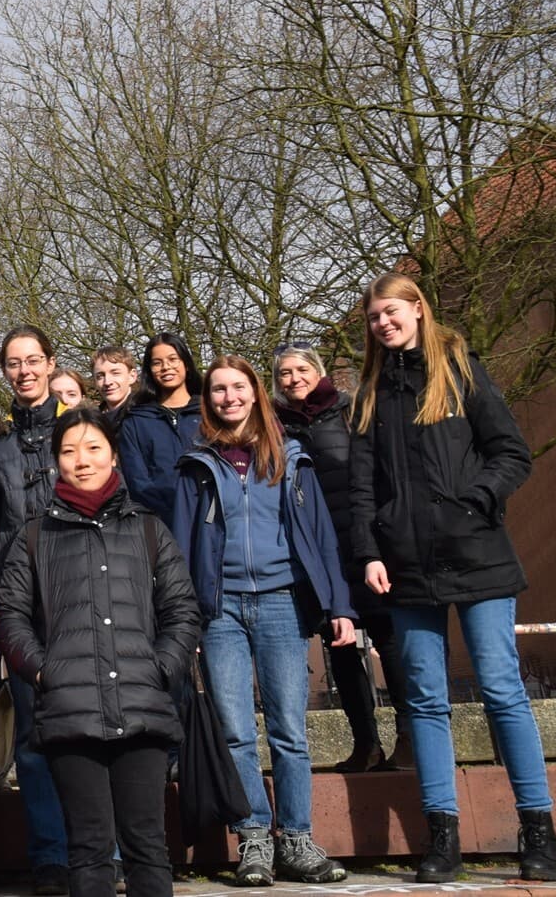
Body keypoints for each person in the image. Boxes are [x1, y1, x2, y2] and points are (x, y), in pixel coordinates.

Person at [347, 273, 556, 883]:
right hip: (406, 567)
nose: (383, 324)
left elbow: (511, 453)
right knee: (423, 701)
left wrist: (475, 501)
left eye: (392, 312)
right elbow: (362, 489)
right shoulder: (369, 395)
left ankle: (540, 833)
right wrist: (369, 552)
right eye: (373, 317)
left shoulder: (461, 371)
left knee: (501, 688)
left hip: (478, 556)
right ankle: (442, 836)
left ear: (418, 310)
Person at [0, 407, 201, 897]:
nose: (81, 461)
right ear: (54, 461)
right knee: (87, 850)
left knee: (147, 846)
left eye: (93, 449)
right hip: (70, 713)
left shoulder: (149, 529)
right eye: (68, 451)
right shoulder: (34, 536)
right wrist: (45, 673)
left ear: (113, 455)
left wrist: (160, 668)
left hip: (142, 707)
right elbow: (10, 617)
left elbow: (182, 610)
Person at [174, 356, 356, 886]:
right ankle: (253, 837)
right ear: (208, 401)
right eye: (218, 390)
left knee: (289, 730)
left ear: (255, 393)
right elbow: (183, 547)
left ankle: (297, 839)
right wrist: (185, 619)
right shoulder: (196, 465)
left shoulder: (292, 458)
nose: (229, 397)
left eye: (238, 388)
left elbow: (322, 536)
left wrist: (340, 606)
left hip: (283, 602)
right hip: (221, 609)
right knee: (234, 731)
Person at [273, 343, 407, 772]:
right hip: (319, 553)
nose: (294, 379)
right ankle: (365, 743)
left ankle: (409, 739)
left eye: (301, 370)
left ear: (318, 371)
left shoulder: (352, 411)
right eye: (284, 375)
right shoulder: (277, 427)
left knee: (391, 640)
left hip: (367, 544)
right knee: (340, 648)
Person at [0, 325, 71, 895]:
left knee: (89, 727)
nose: (25, 371)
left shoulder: (80, 427)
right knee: (33, 734)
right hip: (19, 595)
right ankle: (50, 858)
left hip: (82, 591)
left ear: (51, 364)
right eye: (14, 363)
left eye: (34, 360)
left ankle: (98, 854)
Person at [117, 333, 204, 526]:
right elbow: (138, 482)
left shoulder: (209, 414)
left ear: (186, 363)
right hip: (160, 523)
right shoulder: (136, 421)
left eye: (173, 359)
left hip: (208, 518)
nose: (166, 367)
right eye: (157, 363)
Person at [90, 347, 137, 425]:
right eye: (100, 376)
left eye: (115, 373)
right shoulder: (92, 422)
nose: (107, 382)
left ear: (132, 376)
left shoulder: (146, 417)